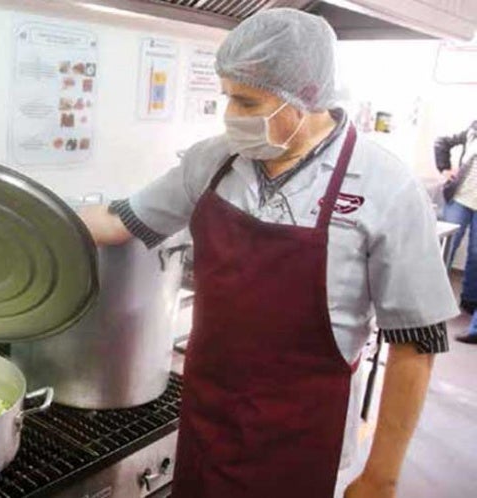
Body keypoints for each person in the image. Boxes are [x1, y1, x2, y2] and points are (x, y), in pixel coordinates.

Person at [81, 9, 458, 498]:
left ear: (303, 99)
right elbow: (119, 221)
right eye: (227, 98)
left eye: (247, 101)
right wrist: (15, 220)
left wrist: (381, 477)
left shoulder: (385, 187)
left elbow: (416, 342)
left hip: (303, 440)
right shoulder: (214, 161)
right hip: (208, 418)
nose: (231, 115)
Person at [436, 121, 477, 344]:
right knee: (445, 248)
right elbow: (442, 142)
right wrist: (444, 168)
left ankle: (469, 302)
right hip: (460, 199)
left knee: (476, 256)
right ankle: (433, 300)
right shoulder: (473, 129)